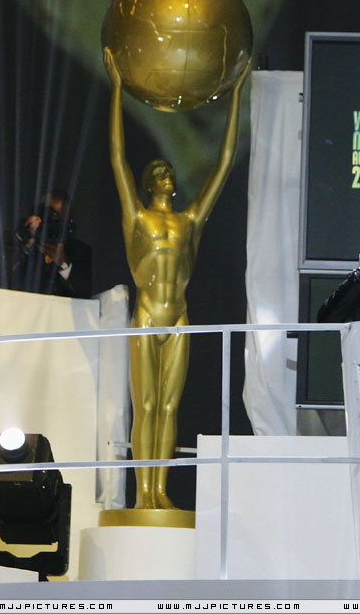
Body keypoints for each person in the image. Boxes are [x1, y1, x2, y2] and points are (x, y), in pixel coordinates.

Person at [104, 46, 247, 510]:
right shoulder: (138, 218)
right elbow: (118, 159)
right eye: (160, 171)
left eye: (170, 171)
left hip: (180, 314)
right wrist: (117, 89)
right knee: (144, 406)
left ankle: (160, 490)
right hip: (147, 314)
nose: (168, 174)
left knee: (169, 409)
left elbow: (223, 165)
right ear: (150, 183)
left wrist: (237, 92)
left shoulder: (188, 222)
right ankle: (141, 493)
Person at [2, 189, 93, 299]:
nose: (53, 227)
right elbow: (1, 277)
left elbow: (84, 294)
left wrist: (63, 263)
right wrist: (26, 243)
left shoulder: (80, 251)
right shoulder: (15, 239)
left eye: (61, 223)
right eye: (50, 220)